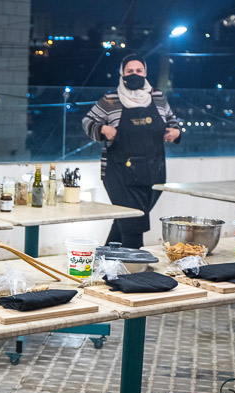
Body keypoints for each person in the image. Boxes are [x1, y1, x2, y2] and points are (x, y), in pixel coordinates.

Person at [82, 54, 181, 249]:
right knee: (134, 223)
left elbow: (172, 120)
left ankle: (106, 261)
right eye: (129, 71)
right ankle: (136, 272)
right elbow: (87, 121)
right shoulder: (111, 99)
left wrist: (176, 132)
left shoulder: (158, 96)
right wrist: (102, 129)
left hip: (154, 172)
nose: (134, 74)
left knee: (126, 221)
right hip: (118, 173)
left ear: (145, 72)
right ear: (122, 73)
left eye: (138, 71)